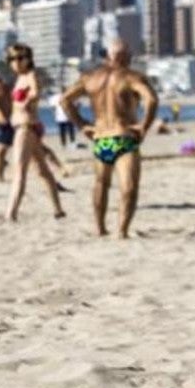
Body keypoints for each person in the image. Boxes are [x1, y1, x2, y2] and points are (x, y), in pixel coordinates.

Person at [60, 40, 158, 239]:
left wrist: (82, 125)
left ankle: (100, 228)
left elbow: (65, 100)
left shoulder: (91, 78)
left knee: (101, 184)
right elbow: (152, 99)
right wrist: (144, 127)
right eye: (129, 55)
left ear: (108, 56)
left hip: (102, 138)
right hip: (124, 136)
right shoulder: (132, 77)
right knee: (128, 186)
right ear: (126, 57)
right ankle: (121, 231)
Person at [3, 43, 66, 221]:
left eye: (20, 58)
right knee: (43, 171)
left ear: (28, 59)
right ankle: (58, 209)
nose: (16, 62)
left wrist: (26, 102)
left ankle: (11, 213)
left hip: (26, 127)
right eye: (12, 58)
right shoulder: (20, 78)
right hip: (26, 127)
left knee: (19, 171)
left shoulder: (30, 75)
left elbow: (37, 91)